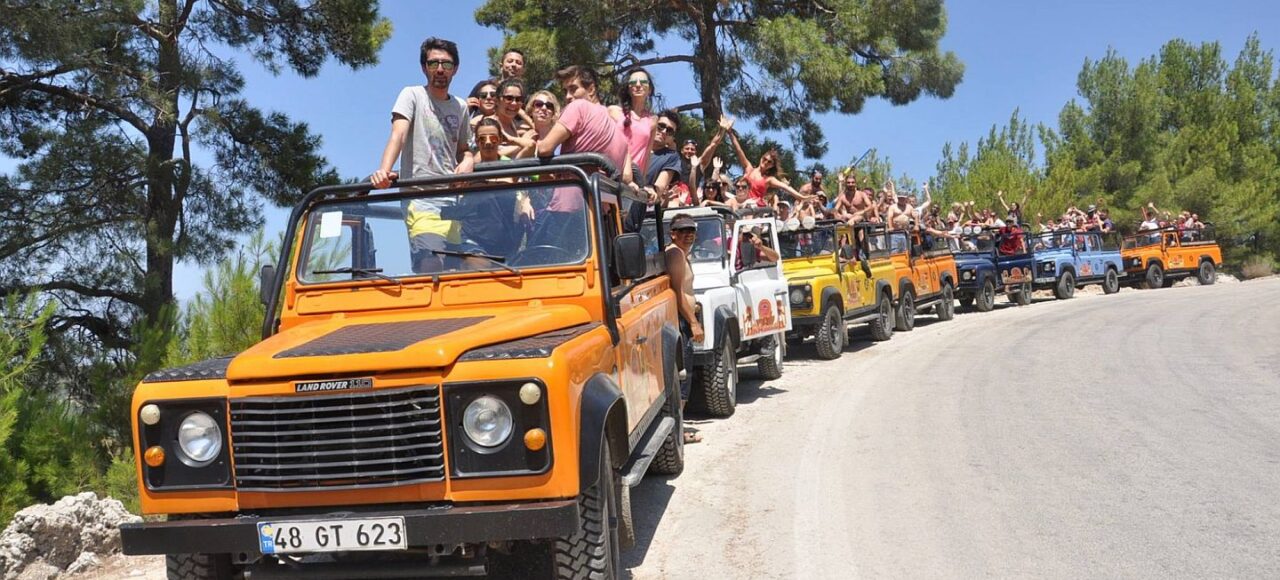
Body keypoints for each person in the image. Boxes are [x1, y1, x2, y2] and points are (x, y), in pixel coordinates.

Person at [371, 37, 474, 273]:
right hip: (421, 199)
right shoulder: (412, 95)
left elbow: (464, 149)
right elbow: (399, 134)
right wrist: (384, 170)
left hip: (453, 203)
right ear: (423, 67)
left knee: (455, 274)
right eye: (433, 63)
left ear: (455, 69)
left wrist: (468, 161)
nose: (440, 69)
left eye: (446, 64)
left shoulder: (461, 106)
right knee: (430, 266)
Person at [533, 65, 631, 246]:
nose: (568, 97)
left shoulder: (579, 107)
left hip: (567, 211)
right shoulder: (618, 132)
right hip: (603, 216)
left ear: (591, 89)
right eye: (565, 91)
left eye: (573, 89)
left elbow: (545, 149)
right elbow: (627, 176)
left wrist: (537, 138)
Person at [664, 214, 703, 443]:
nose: (689, 234)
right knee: (683, 379)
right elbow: (678, 293)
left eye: (692, 230)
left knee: (684, 378)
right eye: (683, 230)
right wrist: (693, 322)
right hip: (681, 321)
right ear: (673, 234)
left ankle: (679, 428)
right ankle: (678, 434)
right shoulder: (676, 254)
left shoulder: (682, 254)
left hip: (686, 319)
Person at [727, 131, 811, 206]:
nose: (766, 162)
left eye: (769, 162)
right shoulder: (749, 169)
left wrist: (800, 196)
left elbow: (785, 187)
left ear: (771, 166)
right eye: (764, 159)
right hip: (742, 206)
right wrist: (730, 132)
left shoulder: (769, 179)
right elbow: (739, 150)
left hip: (756, 209)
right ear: (761, 158)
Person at [609, 68, 656, 177]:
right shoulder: (614, 112)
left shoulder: (653, 121)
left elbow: (647, 155)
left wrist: (642, 184)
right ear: (628, 89)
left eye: (643, 82)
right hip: (613, 174)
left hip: (635, 180)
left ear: (649, 89)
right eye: (633, 82)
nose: (638, 85)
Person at [493, 78, 531, 158]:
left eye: (518, 99)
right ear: (497, 100)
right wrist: (523, 143)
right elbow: (491, 154)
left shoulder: (513, 125)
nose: (514, 103)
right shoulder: (491, 125)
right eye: (509, 98)